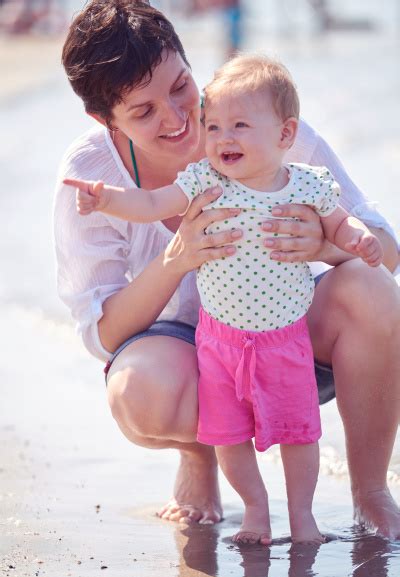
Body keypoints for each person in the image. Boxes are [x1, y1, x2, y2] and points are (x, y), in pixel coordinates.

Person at [55, 0, 400, 539]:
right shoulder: (92, 175)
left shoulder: (267, 130)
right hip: (192, 355)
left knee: (375, 291)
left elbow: (385, 247)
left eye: (180, 87)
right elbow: (101, 333)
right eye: (142, 112)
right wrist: (178, 258)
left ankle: (371, 491)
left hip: (284, 336)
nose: (175, 118)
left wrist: (324, 243)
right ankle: (200, 456)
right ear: (104, 120)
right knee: (137, 392)